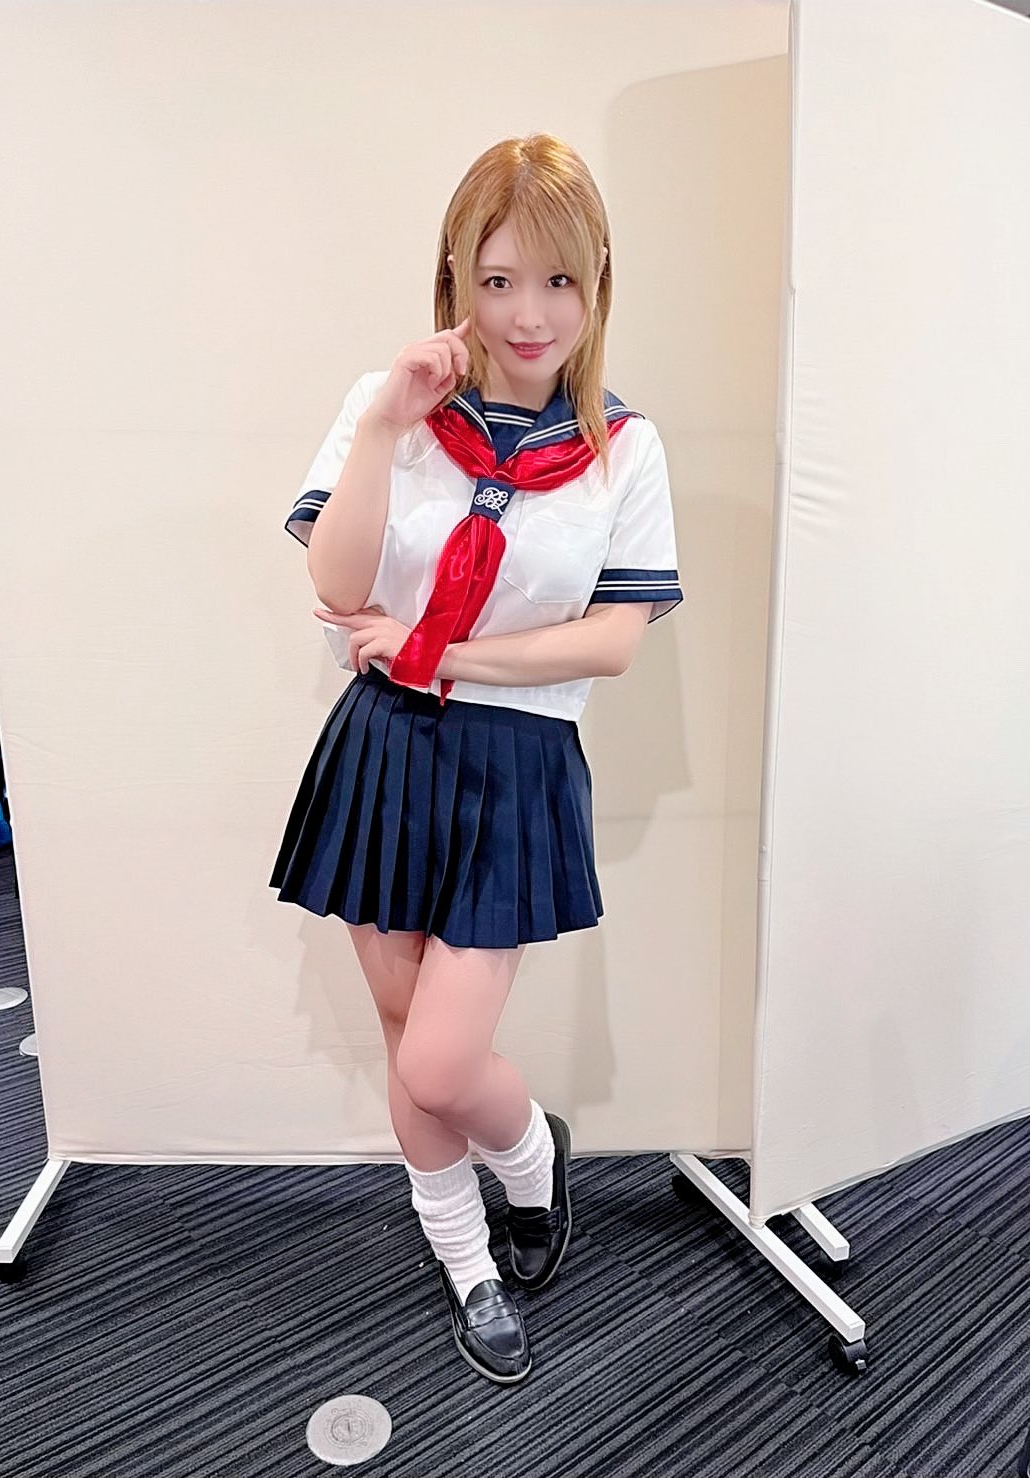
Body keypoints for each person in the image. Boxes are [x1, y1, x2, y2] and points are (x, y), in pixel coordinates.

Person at [269, 133, 683, 1385]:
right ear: (455, 277)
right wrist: (383, 426)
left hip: (516, 760)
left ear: (598, 279)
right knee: (408, 1038)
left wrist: (442, 653)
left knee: (443, 1060)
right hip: (384, 749)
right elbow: (335, 581)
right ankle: (469, 1263)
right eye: (497, 280)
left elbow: (612, 640)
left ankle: (533, 1162)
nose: (527, 315)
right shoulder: (390, 404)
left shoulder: (623, 444)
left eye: (557, 281)